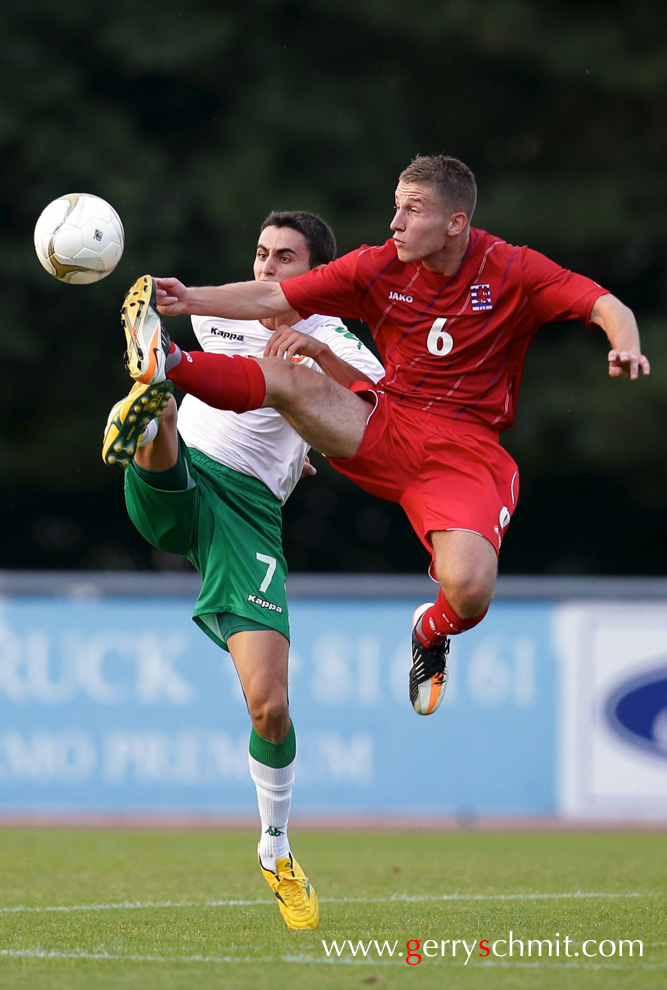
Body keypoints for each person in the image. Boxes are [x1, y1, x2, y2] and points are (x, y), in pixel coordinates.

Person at [120, 153, 650, 721]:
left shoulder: (512, 269)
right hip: (388, 426)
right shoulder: (377, 265)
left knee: (469, 589)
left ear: (455, 223)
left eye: (413, 210)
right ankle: (167, 362)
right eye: (395, 207)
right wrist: (188, 298)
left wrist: (626, 344)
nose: (395, 224)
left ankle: (431, 628)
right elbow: (273, 298)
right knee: (291, 379)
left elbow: (603, 303)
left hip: (463, 453)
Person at [102, 210, 385, 930]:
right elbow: (206, 302)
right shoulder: (230, 311)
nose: (264, 269)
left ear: (314, 273)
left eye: (283, 258)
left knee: (270, 705)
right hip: (188, 480)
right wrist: (177, 300)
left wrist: (317, 368)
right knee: (165, 402)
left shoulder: (333, 338)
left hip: (248, 518)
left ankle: (274, 846)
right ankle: (149, 406)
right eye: (260, 254)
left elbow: (380, 406)